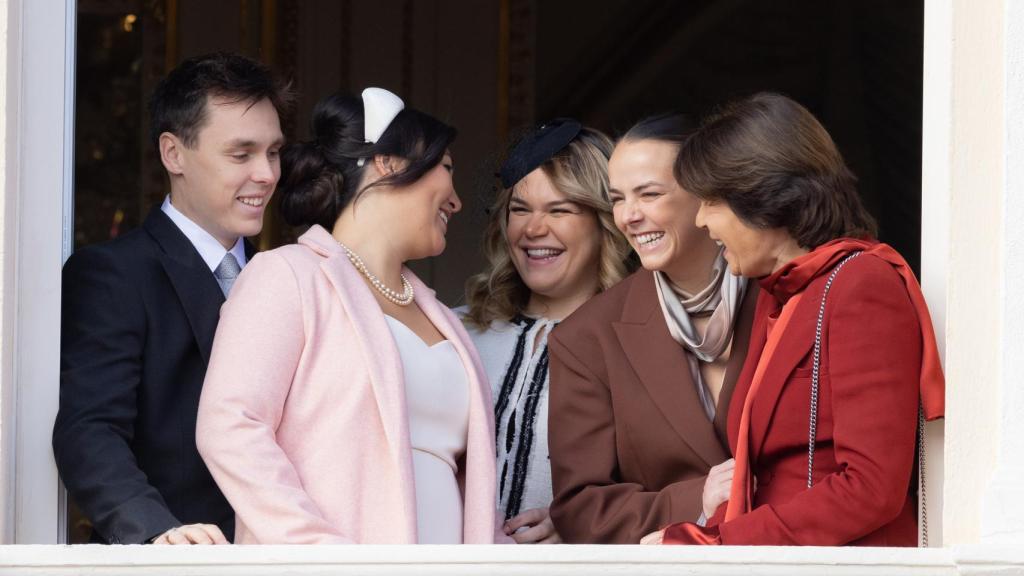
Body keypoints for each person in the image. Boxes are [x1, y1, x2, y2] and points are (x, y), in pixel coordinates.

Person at [196, 87, 509, 544]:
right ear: (391, 163)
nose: (457, 200)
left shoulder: (443, 317)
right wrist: (322, 556)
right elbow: (231, 427)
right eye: (446, 169)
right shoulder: (288, 275)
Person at [645, 92, 944, 546]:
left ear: (763, 196)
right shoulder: (781, 293)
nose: (701, 220)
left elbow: (871, 488)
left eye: (711, 201)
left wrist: (714, 546)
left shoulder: (862, 282)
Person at [53, 52, 291, 544]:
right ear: (173, 154)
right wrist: (158, 533)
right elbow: (90, 429)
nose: (267, 174)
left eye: (273, 152)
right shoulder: (114, 275)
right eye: (241, 153)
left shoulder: (290, 277)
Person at [546, 114, 759, 544]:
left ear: (707, 196)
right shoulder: (586, 338)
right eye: (618, 199)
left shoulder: (786, 298)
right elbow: (581, 508)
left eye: (649, 194)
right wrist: (696, 498)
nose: (629, 216)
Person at [461, 119, 631, 544]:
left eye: (560, 210)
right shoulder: (454, 331)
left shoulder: (643, 343)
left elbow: (679, 481)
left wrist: (582, 517)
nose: (533, 229)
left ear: (604, 222)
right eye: (520, 209)